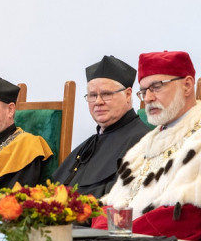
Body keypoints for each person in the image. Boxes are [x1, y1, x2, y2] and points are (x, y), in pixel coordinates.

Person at [95, 50, 201, 241]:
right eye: (144, 91)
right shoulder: (146, 143)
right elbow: (114, 202)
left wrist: (118, 233)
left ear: (187, 85)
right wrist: (106, 228)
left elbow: (190, 218)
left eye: (156, 87)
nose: (148, 98)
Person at [52, 55, 150, 197]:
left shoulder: (142, 141)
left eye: (106, 94)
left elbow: (118, 198)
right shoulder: (89, 144)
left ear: (128, 94)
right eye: (92, 95)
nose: (98, 102)